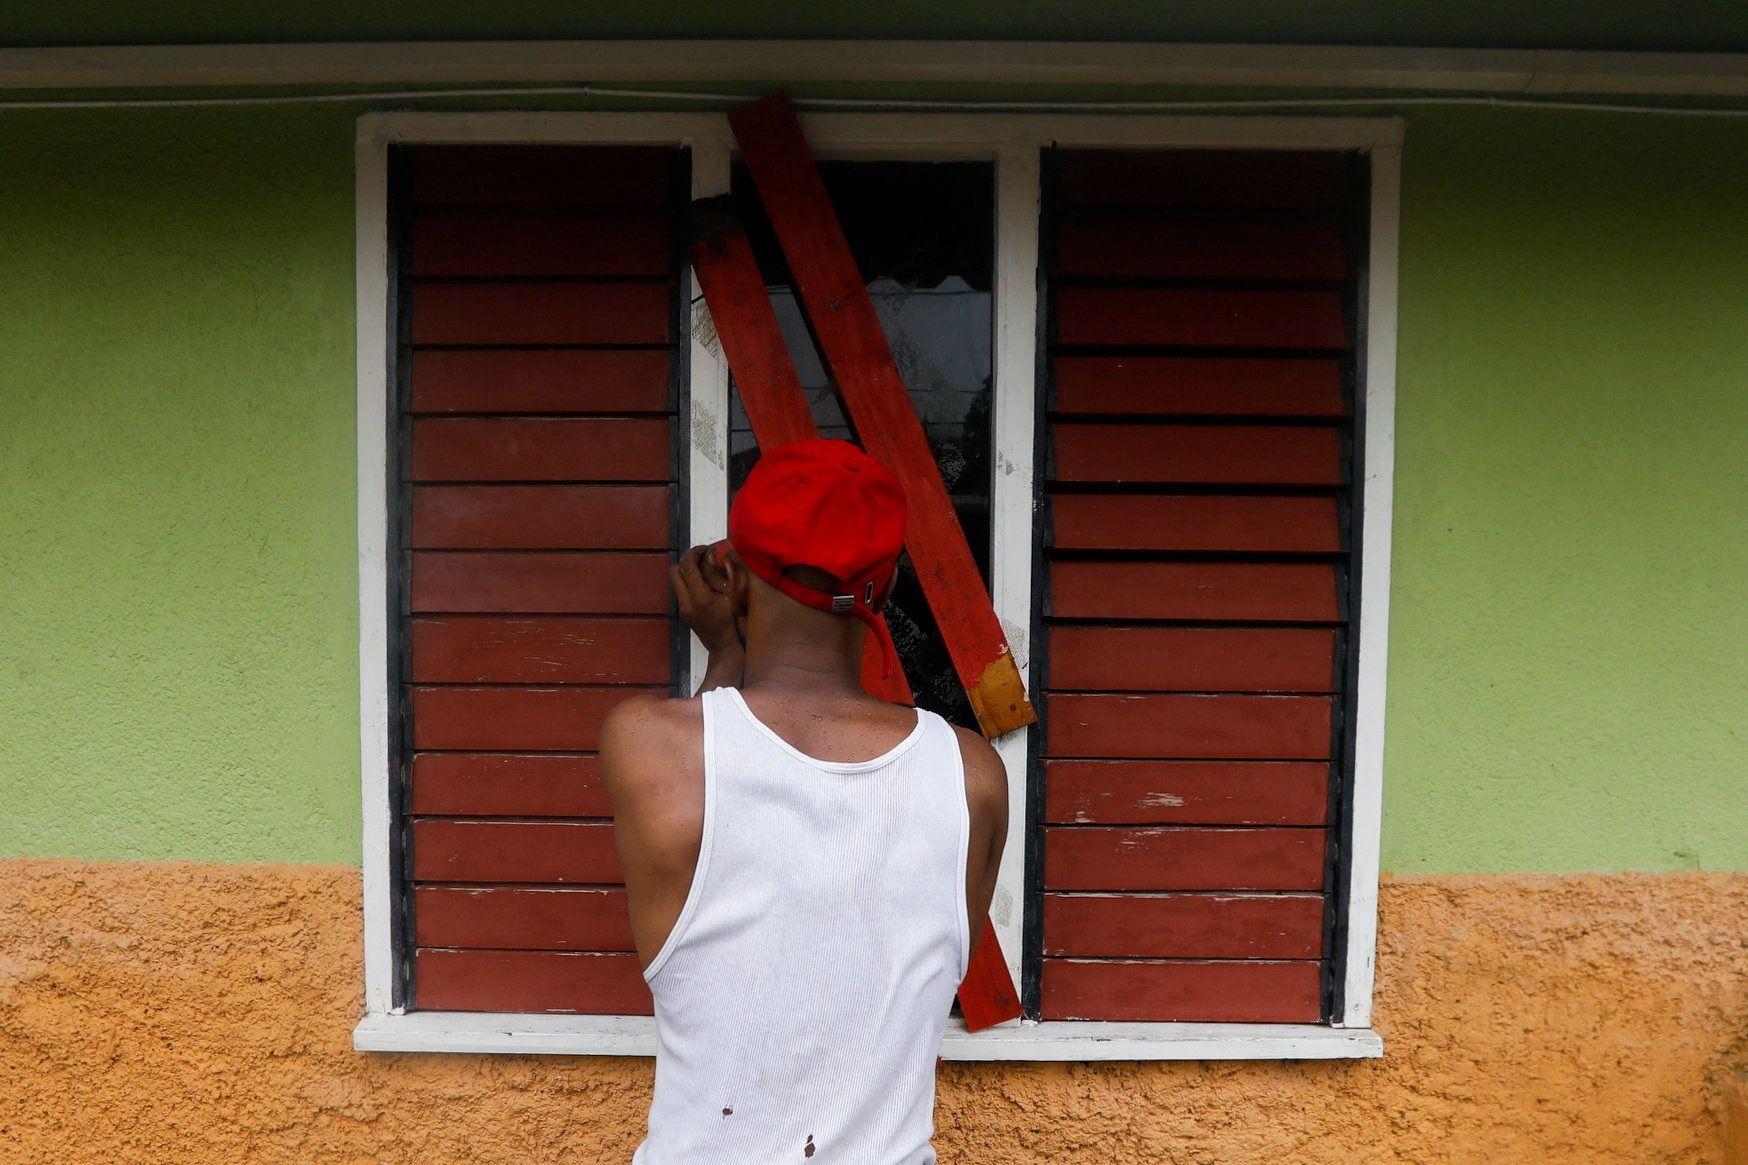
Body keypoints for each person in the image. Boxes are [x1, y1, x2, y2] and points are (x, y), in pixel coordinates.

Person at [601, 438, 1008, 1165]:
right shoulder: (971, 775)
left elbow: (722, 783)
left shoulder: (647, 743)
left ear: (735, 578)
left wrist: (726, 652)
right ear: (882, 594)